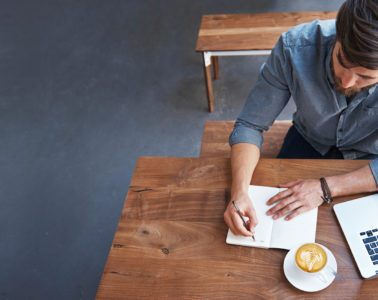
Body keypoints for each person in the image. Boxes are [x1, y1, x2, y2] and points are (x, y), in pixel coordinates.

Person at [224, 0, 378, 238]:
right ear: (338, 34)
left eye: (365, 77)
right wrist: (239, 192)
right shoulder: (295, 47)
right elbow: (250, 125)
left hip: (369, 164)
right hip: (308, 141)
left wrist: (326, 188)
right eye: (342, 61)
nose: (346, 83)